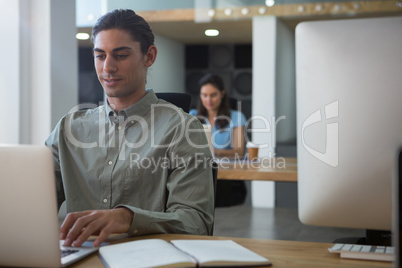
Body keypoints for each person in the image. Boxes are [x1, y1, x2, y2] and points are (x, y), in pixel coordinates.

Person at [45, 9, 214, 248]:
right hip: (81, 258)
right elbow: (31, 205)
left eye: (120, 55)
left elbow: (197, 223)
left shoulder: (182, 129)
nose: (108, 68)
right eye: (100, 56)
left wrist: (129, 218)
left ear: (149, 56)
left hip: (151, 259)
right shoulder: (68, 129)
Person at [190, 74, 247, 207]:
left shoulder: (236, 117)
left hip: (225, 179)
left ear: (222, 94)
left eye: (213, 95)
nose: (208, 99)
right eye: (204, 95)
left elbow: (239, 152)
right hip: (198, 175)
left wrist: (212, 151)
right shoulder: (192, 115)